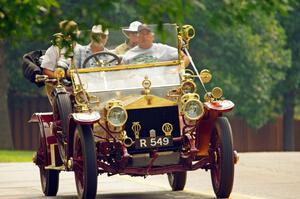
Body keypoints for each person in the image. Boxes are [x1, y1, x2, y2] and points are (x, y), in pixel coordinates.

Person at [122, 24, 190, 67]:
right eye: (142, 34)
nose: (144, 37)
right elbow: (122, 73)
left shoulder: (163, 49)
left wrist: (177, 70)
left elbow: (185, 58)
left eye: (147, 34)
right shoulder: (128, 55)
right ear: (138, 37)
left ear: (152, 37)